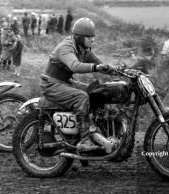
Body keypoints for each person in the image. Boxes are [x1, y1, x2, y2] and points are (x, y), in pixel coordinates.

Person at [40, 17, 116, 152]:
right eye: (89, 37)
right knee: (82, 97)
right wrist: (96, 67)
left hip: (65, 83)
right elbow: (75, 66)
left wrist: (119, 70)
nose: (92, 39)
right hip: (51, 85)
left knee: (95, 91)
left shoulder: (83, 49)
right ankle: (85, 140)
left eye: (93, 37)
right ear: (80, 37)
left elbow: (100, 64)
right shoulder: (66, 47)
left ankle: (95, 128)